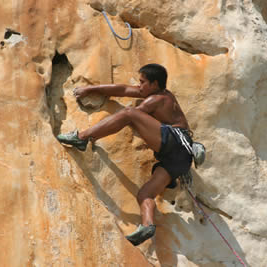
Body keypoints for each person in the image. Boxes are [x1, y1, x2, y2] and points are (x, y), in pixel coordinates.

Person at [57, 63, 193, 246]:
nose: (139, 85)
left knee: (129, 113)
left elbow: (133, 116)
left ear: (154, 84)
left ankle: (82, 137)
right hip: (178, 161)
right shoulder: (158, 93)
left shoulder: (156, 100)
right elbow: (123, 89)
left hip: (175, 143)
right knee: (145, 194)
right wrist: (90, 89)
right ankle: (147, 225)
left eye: (143, 82)